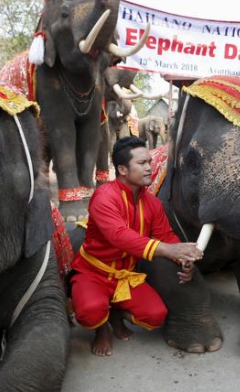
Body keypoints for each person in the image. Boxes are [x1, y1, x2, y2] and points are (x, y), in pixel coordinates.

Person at [70, 137, 203, 356]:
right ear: (122, 169)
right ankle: (101, 329)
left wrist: (183, 258)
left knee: (156, 315)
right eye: (142, 164)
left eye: (149, 162)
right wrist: (167, 250)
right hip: (94, 272)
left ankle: (115, 313)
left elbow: (166, 235)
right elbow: (119, 236)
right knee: (89, 311)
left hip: (125, 275)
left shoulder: (152, 203)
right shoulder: (104, 196)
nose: (150, 168)